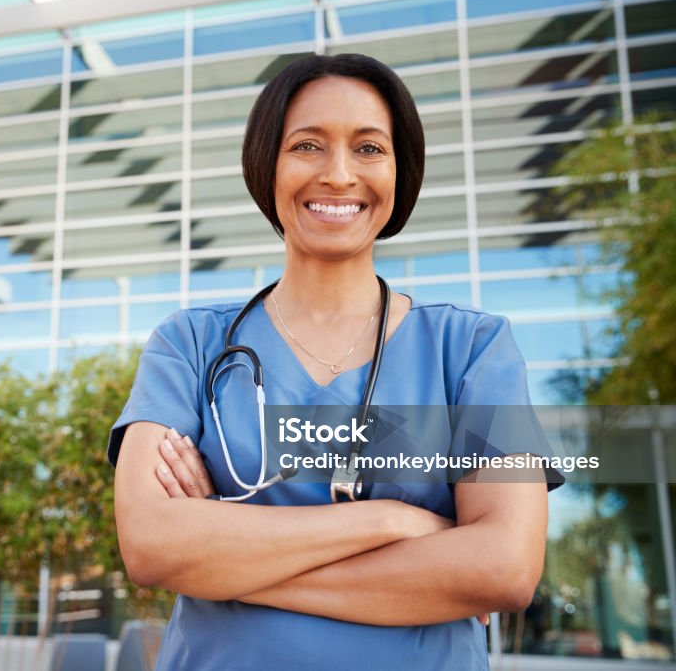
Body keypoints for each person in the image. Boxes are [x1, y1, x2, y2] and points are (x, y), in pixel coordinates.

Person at [108, 53, 555, 670]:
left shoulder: (472, 348)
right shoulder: (189, 344)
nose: (339, 175)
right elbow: (153, 546)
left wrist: (223, 560)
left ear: (402, 171)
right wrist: (395, 522)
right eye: (307, 146)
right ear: (268, 165)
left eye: (369, 148)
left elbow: (504, 566)